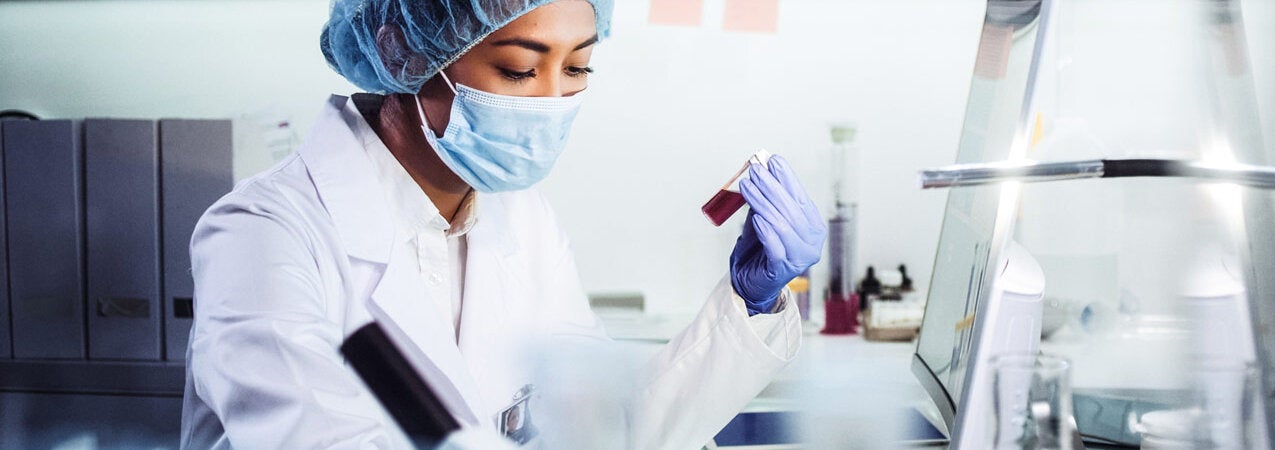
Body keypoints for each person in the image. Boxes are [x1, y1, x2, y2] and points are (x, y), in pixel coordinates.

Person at [178, 0, 827, 448]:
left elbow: (603, 430)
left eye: (576, 68)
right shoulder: (263, 236)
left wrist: (752, 302)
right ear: (402, 48)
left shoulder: (520, 219)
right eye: (520, 68)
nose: (551, 103)